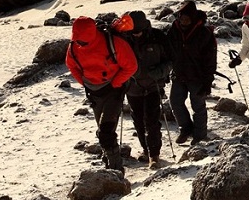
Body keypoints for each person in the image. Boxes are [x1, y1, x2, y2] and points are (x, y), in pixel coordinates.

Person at [66, 16, 138, 174]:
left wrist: (116, 83)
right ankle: (110, 160)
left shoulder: (113, 42)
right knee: (103, 130)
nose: (79, 43)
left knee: (105, 131)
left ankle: (116, 169)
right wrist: (85, 83)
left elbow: (131, 66)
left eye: (82, 40)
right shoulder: (74, 46)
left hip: (113, 90)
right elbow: (71, 65)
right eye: (77, 39)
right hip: (94, 92)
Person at [118, 10, 172, 169]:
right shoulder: (123, 38)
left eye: (138, 32)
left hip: (153, 85)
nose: (136, 35)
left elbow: (171, 60)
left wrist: (160, 72)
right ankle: (145, 150)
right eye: (133, 32)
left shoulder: (158, 37)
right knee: (139, 120)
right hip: (132, 87)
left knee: (152, 120)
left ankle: (154, 155)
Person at [166, 0, 217, 145]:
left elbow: (210, 60)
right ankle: (186, 129)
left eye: (187, 19)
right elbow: (168, 51)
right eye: (182, 18)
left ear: (193, 17)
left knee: (198, 106)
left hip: (198, 77)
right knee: (175, 103)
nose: (184, 21)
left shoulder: (204, 33)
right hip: (179, 75)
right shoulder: (174, 30)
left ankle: (199, 135)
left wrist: (207, 82)